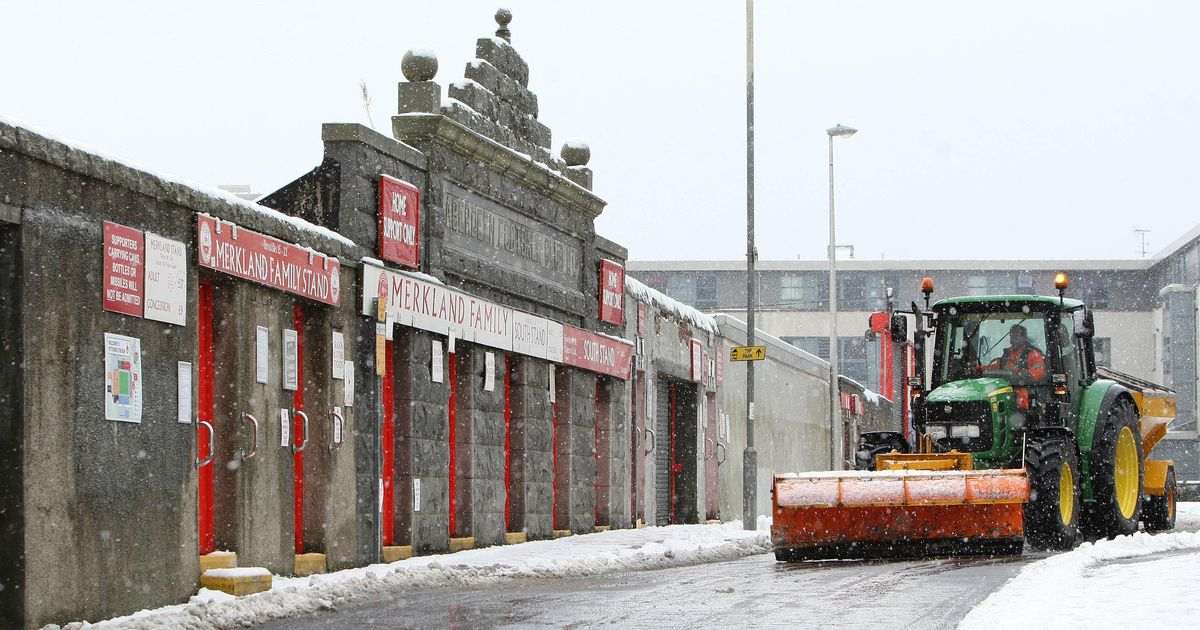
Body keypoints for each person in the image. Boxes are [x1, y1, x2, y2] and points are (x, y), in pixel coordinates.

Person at [980, 323, 1047, 409]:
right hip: (1003, 393)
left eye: (1016, 334)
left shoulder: (1033, 354)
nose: (1013, 337)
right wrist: (979, 369)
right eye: (1012, 334)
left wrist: (1019, 375)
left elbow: (1038, 373)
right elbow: (996, 366)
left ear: (1024, 337)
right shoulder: (1008, 354)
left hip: (1023, 395)